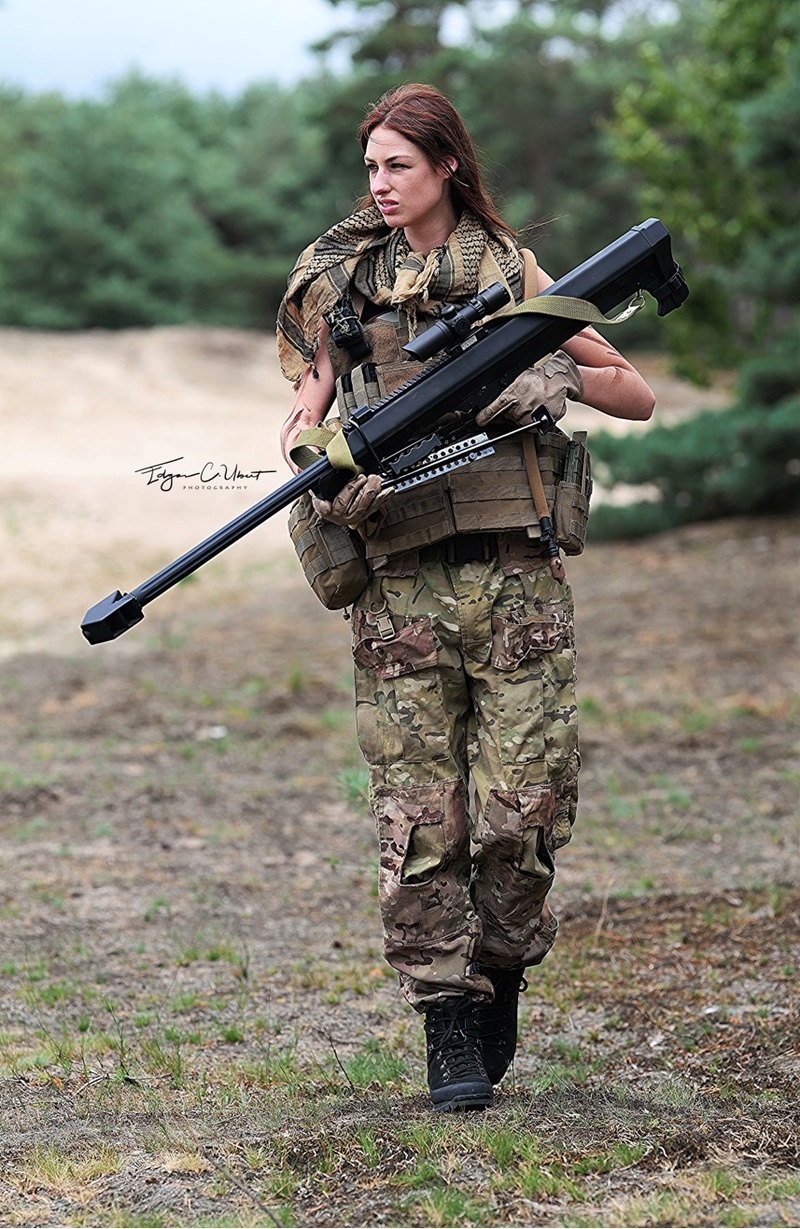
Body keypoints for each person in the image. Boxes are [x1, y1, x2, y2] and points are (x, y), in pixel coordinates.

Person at [276, 83, 655, 1112]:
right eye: (369, 166)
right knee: (419, 816)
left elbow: (632, 389)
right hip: (398, 586)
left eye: (397, 164)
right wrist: (324, 463)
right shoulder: (342, 282)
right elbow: (300, 420)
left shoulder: (508, 269)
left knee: (519, 808)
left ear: (446, 164)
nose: (379, 184)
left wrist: (548, 378)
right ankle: (445, 1015)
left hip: (514, 576)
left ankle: (503, 968)